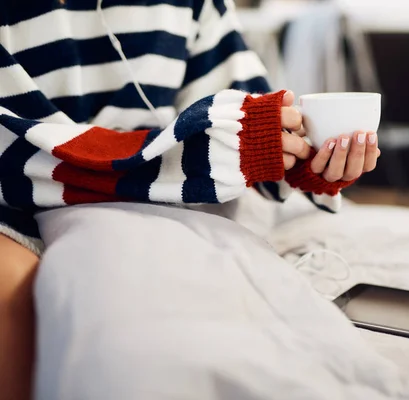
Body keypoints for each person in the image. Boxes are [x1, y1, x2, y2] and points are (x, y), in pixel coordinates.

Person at [0, 1, 380, 398]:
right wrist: (202, 155)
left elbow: (248, 111)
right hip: (20, 203)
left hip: (167, 199)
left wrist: (299, 159)